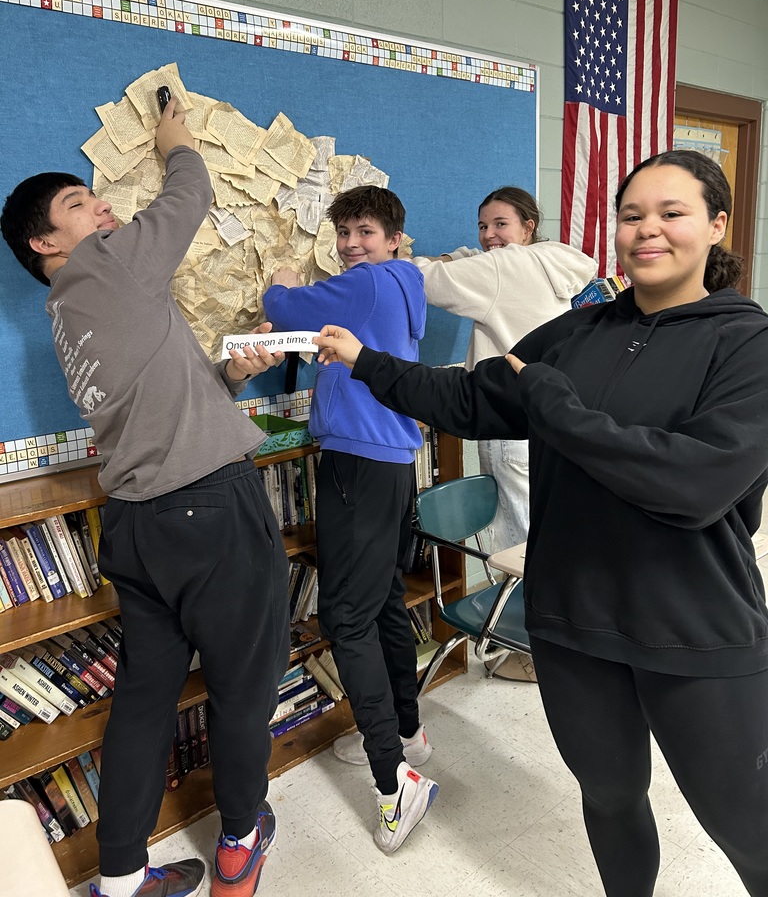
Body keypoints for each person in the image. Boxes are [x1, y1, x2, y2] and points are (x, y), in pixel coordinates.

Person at [312, 151, 768, 897]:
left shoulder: (746, 342)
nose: (647, 230)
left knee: (744, 820)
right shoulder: (580, 331)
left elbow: (691, 483)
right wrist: (368, 362)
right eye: (631, 215)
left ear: (716, 226)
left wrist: (554, 407)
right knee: (612, 799)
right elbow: (470, 398)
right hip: (572, 621)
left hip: (693, 623)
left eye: (671, 213)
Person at [1, 100, 290, 897]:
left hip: (136, 526)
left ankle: (122, 879)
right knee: (244, 687)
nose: (99, 205)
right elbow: (187, 194)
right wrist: (176, 142)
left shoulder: (69, 313)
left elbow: (160, 389)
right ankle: (239, 841)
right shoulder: (105, 264)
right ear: (45, 243)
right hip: (209, 512)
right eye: (76, 204)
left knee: (142, 701)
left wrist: (231, 377)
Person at [263, 185, 439, 854]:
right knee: (382, 602)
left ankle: (395, 786)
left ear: (394, 237)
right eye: (342, 233)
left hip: (359, 464)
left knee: (346, 617)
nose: (349, 244)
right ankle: (406, 732)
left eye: (363, 230)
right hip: (386, 461)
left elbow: (281, 308)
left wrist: (282, 281)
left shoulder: (367, 282)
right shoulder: (398, 284)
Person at [412, 186, 596, 552]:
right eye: (482, 226)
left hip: (505, 420)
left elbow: (423, 279)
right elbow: (478, 260)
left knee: (514, 540)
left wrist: (418, 260)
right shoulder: (555, 261)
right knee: (543, 527)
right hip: (547, 417)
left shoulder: (503, 267)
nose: (487, 235)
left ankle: (518, 608)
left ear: (528, 227)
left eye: (500, 224)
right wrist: (460, 255)